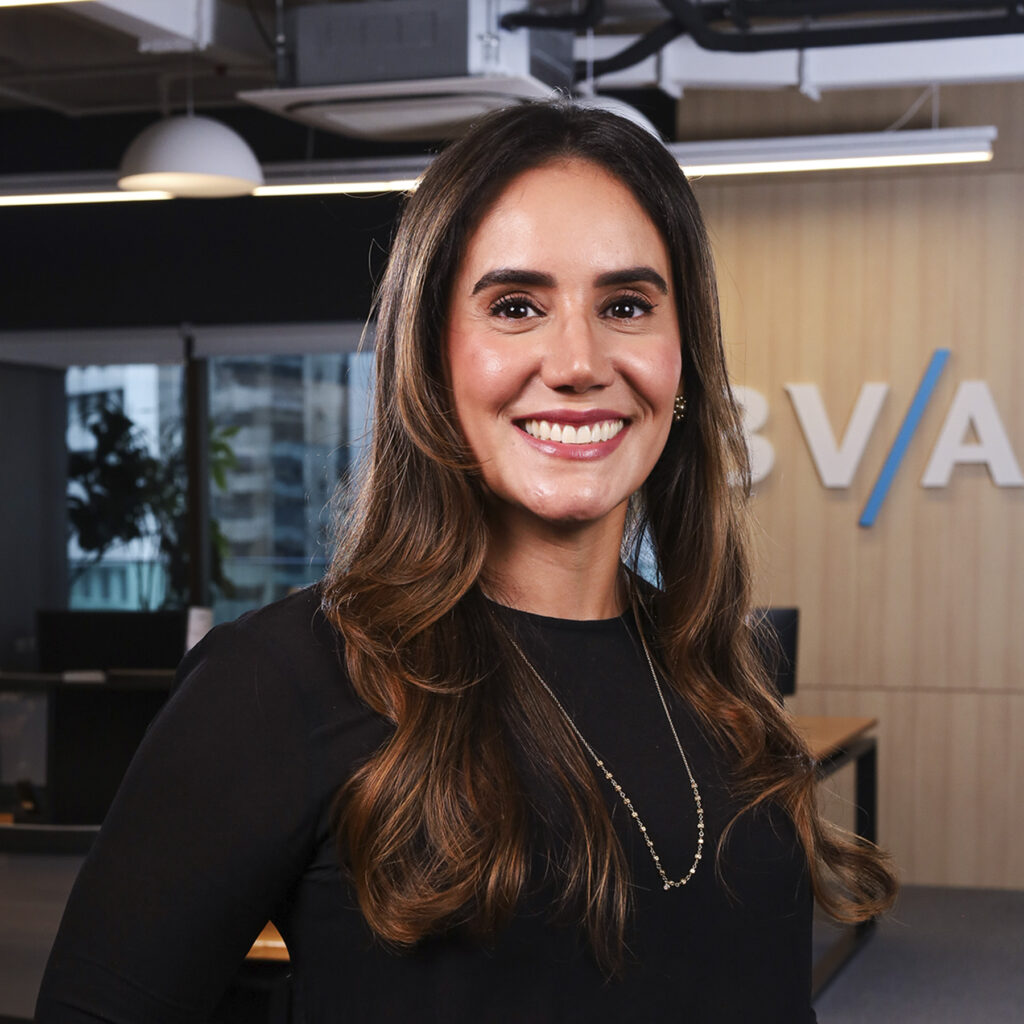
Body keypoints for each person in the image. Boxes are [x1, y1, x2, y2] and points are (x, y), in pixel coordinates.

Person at [36, 101, 897, 1023]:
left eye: (626, 306)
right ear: (433, 359)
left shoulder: (718, 675)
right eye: (516, 306)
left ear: (682, 358)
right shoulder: (283, 682)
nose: (578, 361)